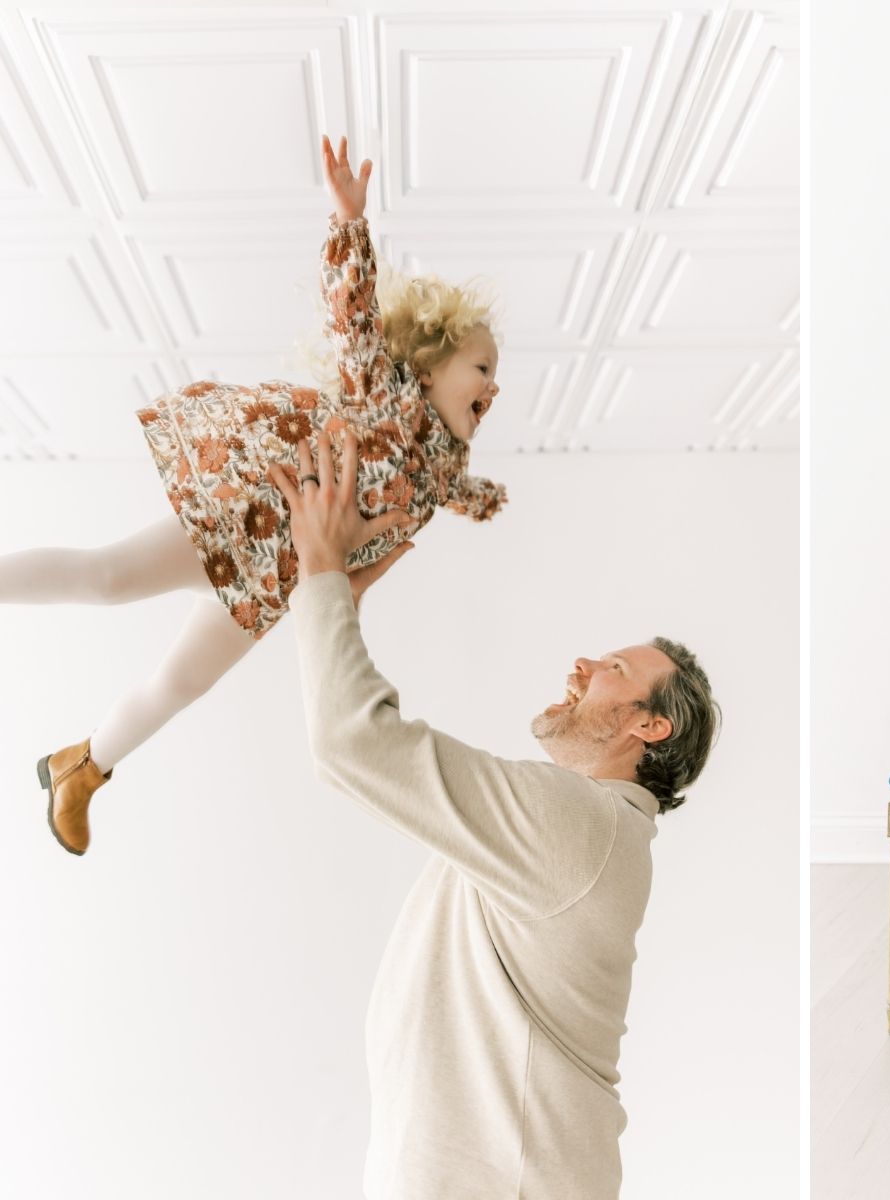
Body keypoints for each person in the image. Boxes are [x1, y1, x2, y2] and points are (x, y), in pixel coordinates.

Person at [21, 134, 505, 855]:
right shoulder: (385, 392)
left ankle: (82, 767)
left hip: (279, 580)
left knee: (184, 681)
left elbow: (462, 492)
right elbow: (354, 313)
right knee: (108, 577)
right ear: (429, 366)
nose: (494, 386)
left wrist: (485, 498)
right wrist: (349, 221)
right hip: (248, 521)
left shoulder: (441, 476)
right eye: (482, 367)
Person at [267, 429, 719, 1198]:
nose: (582, 665)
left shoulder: (579, 823)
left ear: (651, 726)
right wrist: (333, 595)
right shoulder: (586, 829)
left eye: (613, 670)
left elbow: (352, 743)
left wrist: (321, 573)